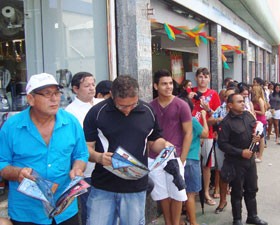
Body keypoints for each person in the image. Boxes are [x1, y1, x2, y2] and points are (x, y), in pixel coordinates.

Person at [0, 73, 89, 225]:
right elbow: (2, 163)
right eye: (47, 94)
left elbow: (81, 154)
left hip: (65, 209)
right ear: (31, 99)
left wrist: (78, 168)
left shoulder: (71, 122)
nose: (54, 99)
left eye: (56, 93)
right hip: (27, 212)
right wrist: (18, 173)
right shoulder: (12, 126)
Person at [83, 75, 170, 225]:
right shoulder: (97, 113)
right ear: (111, 95)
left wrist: (164, 145)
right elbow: (86, 148)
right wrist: (98, 157)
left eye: (133, 105)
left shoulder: (147, 111)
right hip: (103, 185)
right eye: (122, 106)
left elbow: (154, 141)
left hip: (135, 187)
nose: (128, 110)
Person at [149, 70, 193, 225]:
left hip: (176, 157)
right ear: (156, 86)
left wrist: (182, 159)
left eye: (170, 83)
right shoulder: (150, 107)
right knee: (162, 195)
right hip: (155, 158)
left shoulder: (181, 105)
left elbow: (188, 133)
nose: (168, 87)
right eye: (164, 84)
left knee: (177, 193)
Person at [218, 93, 268, 225]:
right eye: (239, 101)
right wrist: (240, 152)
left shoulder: (247, 115)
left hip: (250, 161)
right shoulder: (226, 122)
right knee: (237, 191)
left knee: (252, 188)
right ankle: (237, 219)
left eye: (243, 101)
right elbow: (222, 144)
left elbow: (258, 130)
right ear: (230, 105)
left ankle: (252, 216)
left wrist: (258, 136)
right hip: (235, 162)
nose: (243, 103)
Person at [65, 72, 102, 225]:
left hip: (108, 166)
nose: (91, 88)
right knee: (92, 213)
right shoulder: (70, 113)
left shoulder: (103, 103)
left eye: (93, 84)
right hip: (87, 170)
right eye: (86, 86)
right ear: (75, 89)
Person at [188, 67, 221, 206]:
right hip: (190, 134)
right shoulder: (190, 92)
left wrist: (207, 109)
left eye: (205, 76)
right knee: (190, 164)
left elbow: (218, 115)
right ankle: (191, 193)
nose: (203, 79)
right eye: (200, 76)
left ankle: (206, 192)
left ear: (209, 79)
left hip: (207, 134)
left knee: (206, 166)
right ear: (196, 78)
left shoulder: (213, 94)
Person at [208, 87, 238, 214]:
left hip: (237, 147)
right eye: (226, 96)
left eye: (232, 96)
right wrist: (217, 120)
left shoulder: (242, 111)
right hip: (221, 145)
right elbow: (210, 121)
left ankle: (237, 207)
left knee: (238, 174)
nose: (228, 98)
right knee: (221, 172)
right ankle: (222, 201)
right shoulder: (220, 109)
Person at [180, 97, 208, 225]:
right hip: (191, 159)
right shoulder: (192, 121)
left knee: (177, 194)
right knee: (190, 194)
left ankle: (178, 221)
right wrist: (203, 117)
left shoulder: (173, 120)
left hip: (178, 159)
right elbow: (205, 134)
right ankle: (193, 222)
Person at [251, 85, 267, 162]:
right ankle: (255, 154)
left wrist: (254, 111)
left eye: (253, 90)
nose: (251, 91)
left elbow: (263, 112)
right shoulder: (254, 100)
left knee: (261, 138)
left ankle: (260, 156)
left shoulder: (260, 100)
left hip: (261, 120)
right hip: (255, 120)